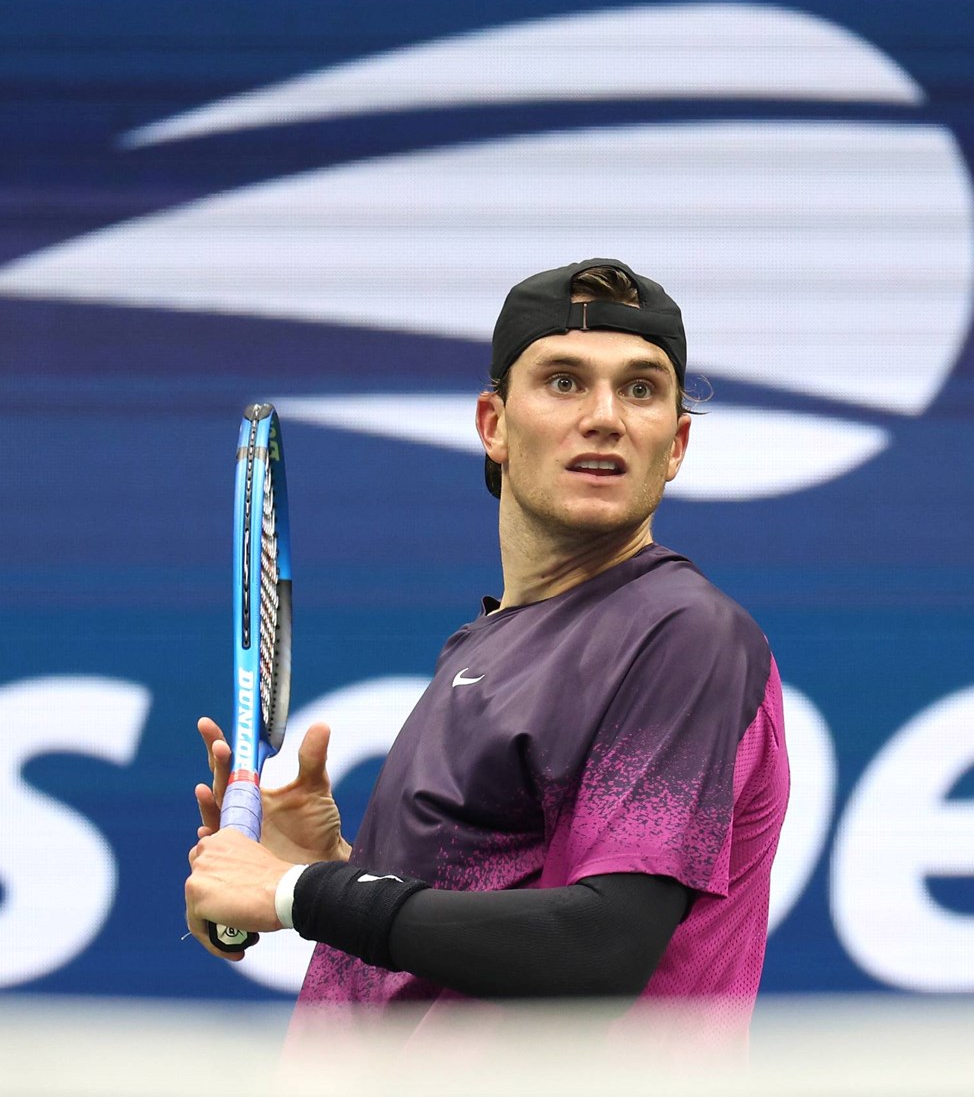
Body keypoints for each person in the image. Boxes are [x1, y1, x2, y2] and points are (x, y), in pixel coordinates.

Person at [184, 258, 789, 1036]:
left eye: (639, 388)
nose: (605, 416)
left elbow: (601, 946)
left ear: (674, 446)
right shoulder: (484, 643)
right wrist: (323, 868)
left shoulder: (681, 634)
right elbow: (463, 938)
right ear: (493, 425)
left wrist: (296, 894)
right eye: (565, 381)